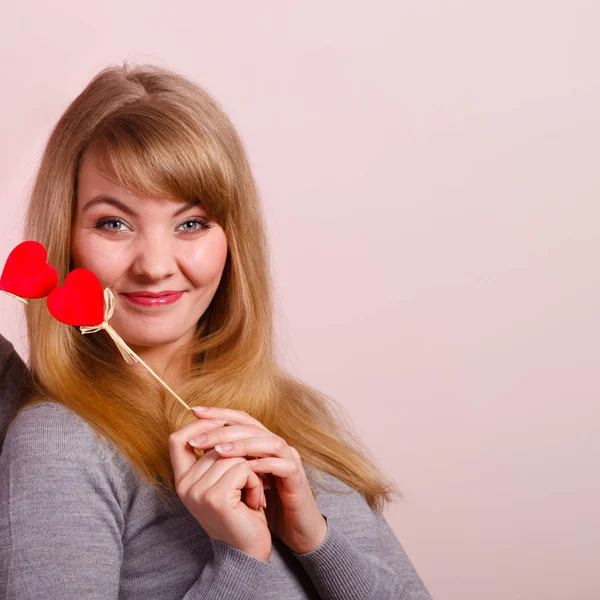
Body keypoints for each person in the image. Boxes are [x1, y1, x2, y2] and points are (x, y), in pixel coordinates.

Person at [0, 62, 432, 599]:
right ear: (66, 237)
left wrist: (312, 537)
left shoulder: (292, 416)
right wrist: (241, 561)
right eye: (114, 223)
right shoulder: (62, 444)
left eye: (192, 223)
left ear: (232, 239)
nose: (155, 265)